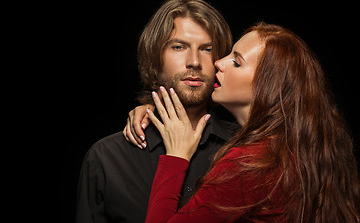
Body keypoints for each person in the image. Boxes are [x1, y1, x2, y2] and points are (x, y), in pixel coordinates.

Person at [127, 22, 360, 222]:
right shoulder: (294, 150)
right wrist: (151, 107)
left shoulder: (252, 164)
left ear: (266, 87)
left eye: (236, 62)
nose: (219, 62)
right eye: (228, 54)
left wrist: (176, 156)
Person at [75, 0, 236, 223]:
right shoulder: (107, 159)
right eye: (179, 47)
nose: (194, 61)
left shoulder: (244, 149)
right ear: (154, 60)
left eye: (207, 49)